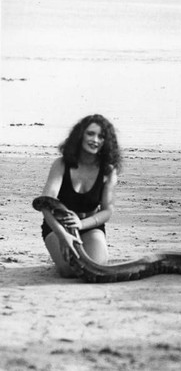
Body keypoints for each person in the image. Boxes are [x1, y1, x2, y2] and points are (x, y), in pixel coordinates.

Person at [39, 114, 122, 277]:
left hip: (90, 225)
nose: (95, 140)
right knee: (69, 271)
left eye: (101, 136)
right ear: (80, 135)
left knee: (95, 268)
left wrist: (81, 224)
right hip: (58, 226)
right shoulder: (61, 164)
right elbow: (45, 203)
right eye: (90, 133)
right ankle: (60, 256)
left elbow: (107, 211)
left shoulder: (108, 171)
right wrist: (62, 236)